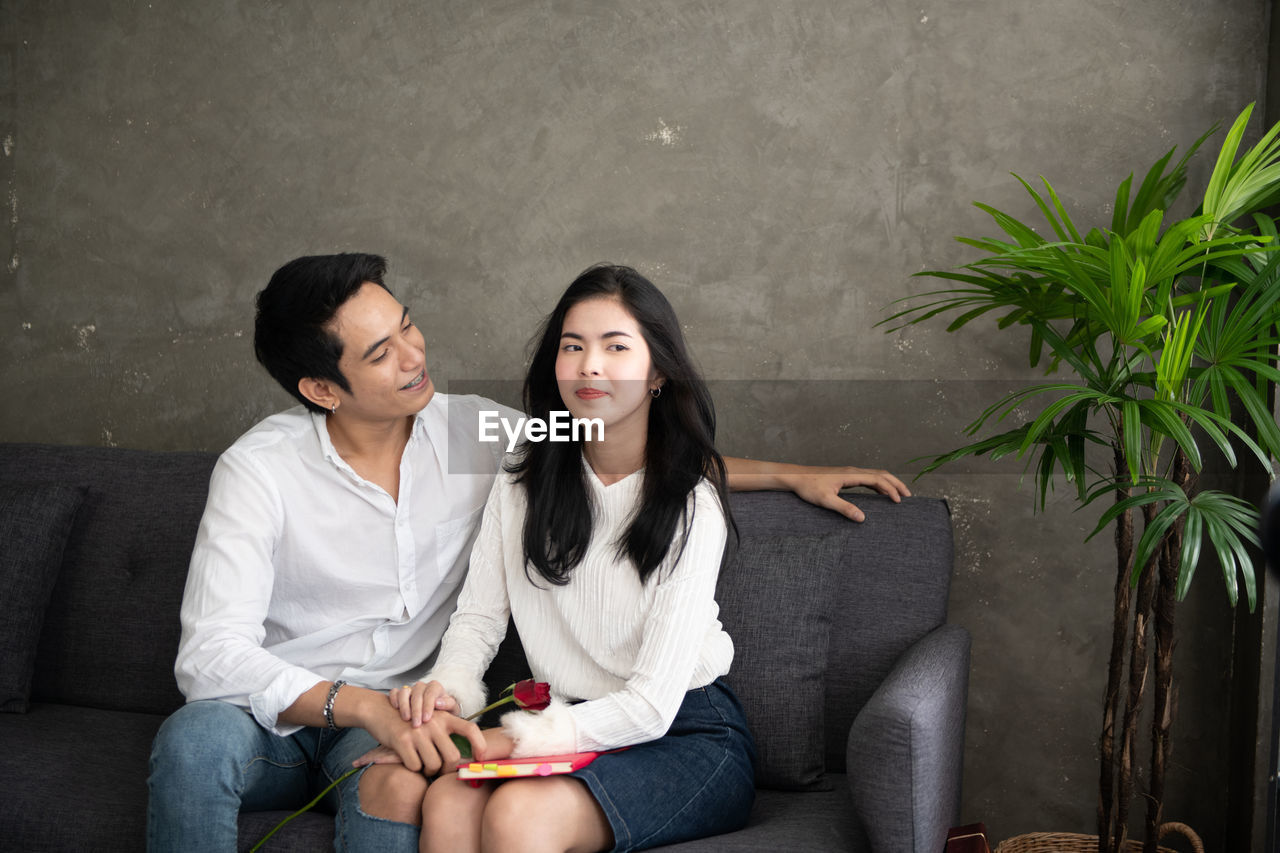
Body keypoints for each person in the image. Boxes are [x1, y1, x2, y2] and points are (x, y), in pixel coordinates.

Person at [146, 253, 909, 852]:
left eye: (408, 325)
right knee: (194, 741)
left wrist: (789, 474)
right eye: (381, 352)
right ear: (322, 388)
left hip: (473, 716)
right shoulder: (266, 469)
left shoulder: (473, 432)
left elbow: (626, 443)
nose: (414, 355)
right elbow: (209, 654)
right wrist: (388, 705)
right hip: (306, 707)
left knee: (431, 793)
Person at [358, 264, 758, 853]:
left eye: (616, 347)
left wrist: (501, 741)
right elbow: (479, 618)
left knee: (521, 814)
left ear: (658, 373)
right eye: (573, 346)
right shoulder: (527, 470)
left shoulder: (689, 501)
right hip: (565, 720)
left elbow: (650, 708)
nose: (590, 365)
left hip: (684, 732)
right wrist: (446, 693)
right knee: (447, 800)